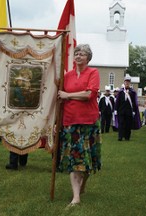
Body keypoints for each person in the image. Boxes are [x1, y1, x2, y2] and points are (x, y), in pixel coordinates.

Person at [57, 44, 101, 206]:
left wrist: (68, 95)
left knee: (89, 158)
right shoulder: (67, 76)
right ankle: (76, 197)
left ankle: (83, 183)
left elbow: (89, 94)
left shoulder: (93, 73)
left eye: (82, 54)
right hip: (70, 122)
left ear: (88, 58)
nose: (78, 56)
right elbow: (59, 97)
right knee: (74, 159)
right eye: (76, 53)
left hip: (88, 122)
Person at [114, 75, 141, 141]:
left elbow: (134, 102)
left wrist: (134, 110)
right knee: (121, 124)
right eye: (126, 81)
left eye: (128, 82)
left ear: (130, 83)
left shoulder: (132, 92)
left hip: (129, 111)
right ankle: (120, 137)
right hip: (121, 111)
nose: (127, 83)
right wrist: (115, 109)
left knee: (128, 124)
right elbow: (118, 101)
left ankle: (127, 137)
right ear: (124, 82)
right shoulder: (120, 92)